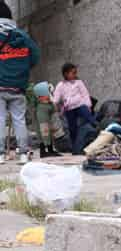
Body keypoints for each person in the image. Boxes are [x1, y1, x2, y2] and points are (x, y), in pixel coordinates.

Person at [0, 2, 40, 164]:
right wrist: (22, 70)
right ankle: (23, 154)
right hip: (18, 85)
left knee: (0, 119)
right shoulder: (23, 36)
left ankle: (0, 155)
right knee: (19, 119)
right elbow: (35, 57)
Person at [52, 63, 96, 147]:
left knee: (90, 119)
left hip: (80, 105)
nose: (75, 74)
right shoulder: (60, 85)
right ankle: (75, 146)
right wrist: (54, 105)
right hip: (69, 109)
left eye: (76, 72)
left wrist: (88, 105)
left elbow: (85, 94)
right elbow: (56, 98)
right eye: (73, 73)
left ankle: (97, 134)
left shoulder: (78, 82)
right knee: (72, 128)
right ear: (66, 74)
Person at [32, 82, 64, 158]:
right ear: (41, 96)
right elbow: (43, 123)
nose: (50, 94)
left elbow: (55, 109)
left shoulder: (49, 103)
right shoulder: (40, 107)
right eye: (48, 92)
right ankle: (43, 151)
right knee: (44, 132)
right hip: (43, 123)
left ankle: (50, 150)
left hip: (48, 123)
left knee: (49, 133)